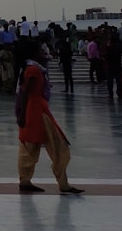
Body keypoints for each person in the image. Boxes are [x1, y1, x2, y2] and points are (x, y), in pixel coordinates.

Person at [16, 45, 83, 195]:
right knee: (58, 146)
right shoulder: (33, 69)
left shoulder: (30, 68)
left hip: (35, 110)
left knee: (29, 147)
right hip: (37, 111)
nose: (43, 52)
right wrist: (22, 114)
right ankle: (62, 183)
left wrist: (22, 113)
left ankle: (25, 180)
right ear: (33, 53)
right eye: (40, 50)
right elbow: (26, 91)